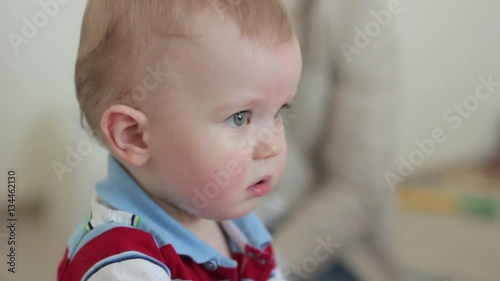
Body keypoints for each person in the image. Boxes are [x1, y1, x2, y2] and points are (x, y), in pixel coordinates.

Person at [57, 1, 302, 280]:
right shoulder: (121, 263)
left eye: (279, 111)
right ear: (134, 136)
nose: (273, 146)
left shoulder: (234, 218)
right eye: (240, 117)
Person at [256, 1, 402, 280]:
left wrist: (266, 269)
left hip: (321, 238)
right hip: (223, 219)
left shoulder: (355, 14)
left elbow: (359, 186)